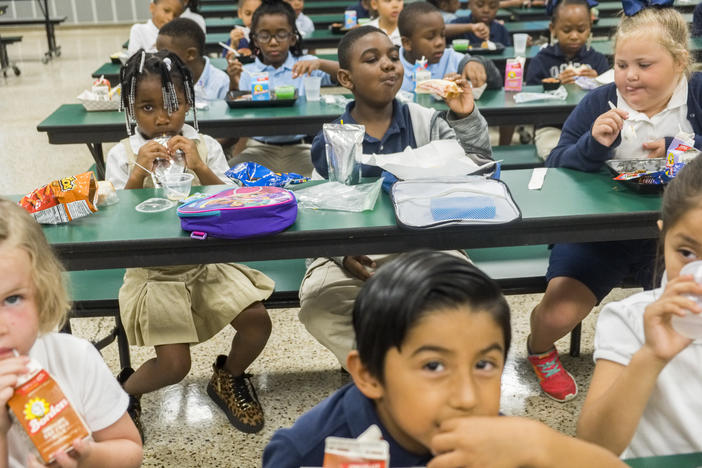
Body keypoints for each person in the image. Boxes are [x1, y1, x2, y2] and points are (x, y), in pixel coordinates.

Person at [264, 251, 629, 467]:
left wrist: (545, 446)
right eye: (434, 366)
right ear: (369, 373)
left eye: (484, 365)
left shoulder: (500, 440)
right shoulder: (309, 451)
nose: (468, 397)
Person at [528, 7, 702, 403]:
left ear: (678, 63)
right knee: (558, 314)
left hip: (681, 238)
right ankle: (539, 349)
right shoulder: (602, 100)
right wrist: (593, 143)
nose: (630, 75)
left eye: (644, 64)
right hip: (598, 236)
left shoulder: (697, 93)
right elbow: (556, 163)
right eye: (621, 64)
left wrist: (685, 152)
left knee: (684, 314)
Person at [104, 50, 275, 440]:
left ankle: (228, 376)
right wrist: (137, 174)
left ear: (188, 103)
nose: (162, 118)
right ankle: (121, 395)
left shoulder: (205, 145)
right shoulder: (122, 154)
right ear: (131, 109)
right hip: (154, 274)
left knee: (257, 324)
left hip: (207, 261)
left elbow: (234, 200)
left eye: (171, 105)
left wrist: (200, 167)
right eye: (147, 108)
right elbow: (114, 221)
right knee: (174, 366)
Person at [300, 25, 492, 366]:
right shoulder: (333, 140)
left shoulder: (427, 122)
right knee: (319, 305)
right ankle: (381, 369)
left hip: (424, 242)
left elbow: (481, 171)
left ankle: (409, 367)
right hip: (353, 251)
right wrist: (341, 254)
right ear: (346, 78)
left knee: (468, 294)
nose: (389, 65)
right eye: (372, 60)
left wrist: (464, 116)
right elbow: (316, 210)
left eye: (393, 56)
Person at [0, 200, 142, 468]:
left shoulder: (74, 358)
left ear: (42, 293)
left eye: (13, 299)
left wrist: (89, 457)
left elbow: (130, 450)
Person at [577, 156, 702, 458]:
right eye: (686, 252)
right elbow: (593, 447)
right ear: (663, 235)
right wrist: (651, 356)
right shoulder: (630, 319)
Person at [228, 0, 339, 176]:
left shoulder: (306, 65)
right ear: (255, 40)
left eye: (281, 34)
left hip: (301, 148)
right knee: (226, 179)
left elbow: (346, 74)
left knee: (329, 178)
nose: (273, 42)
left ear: (293, 38)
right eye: (264, 36)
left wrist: (320, 63)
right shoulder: (246, 72)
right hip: (258, 150)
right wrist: (233, 84)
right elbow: (234, 118)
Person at [525, 0, 609, 160]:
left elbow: (611, 96)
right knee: (555, 157)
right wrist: (554, 83)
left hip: (590, 126)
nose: (574, 36)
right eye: (566, 30)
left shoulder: (598, 60)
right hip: (551, 125)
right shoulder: (541, 60)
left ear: (590, 27)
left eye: (581, 29)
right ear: (553, 29)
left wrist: (598, 81)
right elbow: (529, 97)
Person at [398, 2, 502, 93]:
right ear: (407, 43)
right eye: (430, 37)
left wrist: (477, 62)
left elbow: (497, 82)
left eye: (443, 35)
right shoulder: (393, 66)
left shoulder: (451, 59)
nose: (440, 42)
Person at [157, 17, 234, 101]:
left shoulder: (221, 82)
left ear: (191, 54)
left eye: (164, 53)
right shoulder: (160, 78)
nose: (159, 58)